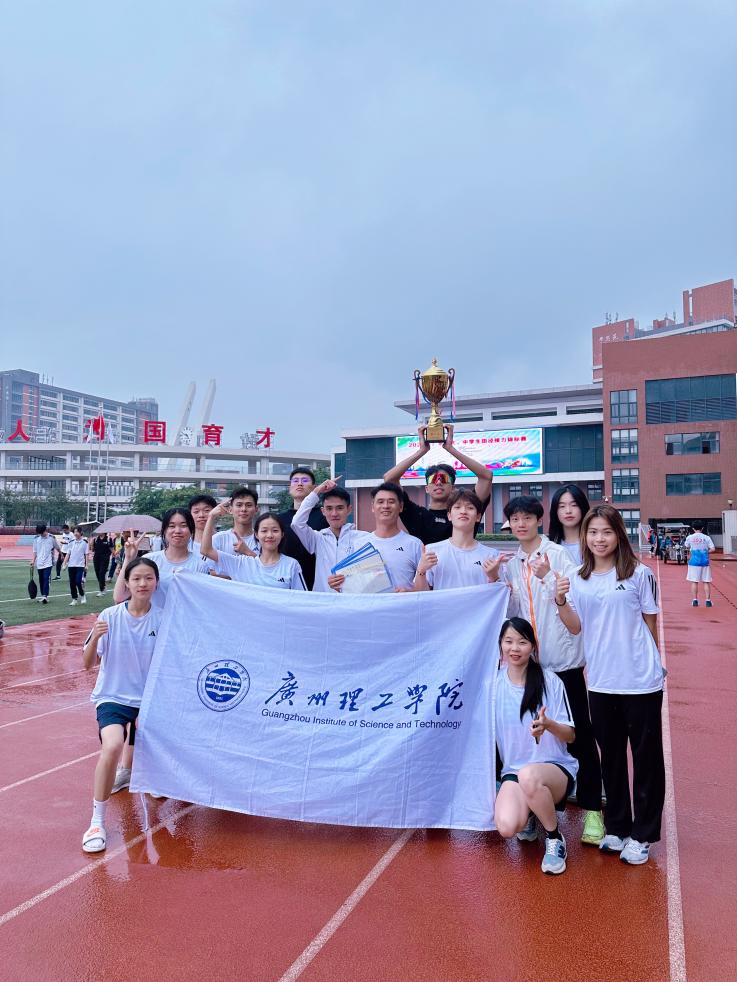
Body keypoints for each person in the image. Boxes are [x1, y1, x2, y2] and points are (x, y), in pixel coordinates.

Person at [554, 504, 664, 865]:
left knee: (646, 759)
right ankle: (617, 827)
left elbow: (650, 623)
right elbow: (575, 626)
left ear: (619, 535)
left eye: (607, 532)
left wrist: (654, 666)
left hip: (640, 682)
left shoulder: (639, 574)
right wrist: (559, 600)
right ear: (585, 536)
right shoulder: (578, 577)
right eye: (593, 532)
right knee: (612, 758)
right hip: (601, 681)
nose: (599, 539)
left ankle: (643, 834)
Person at [495, 495, 604, 846]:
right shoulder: (512, 564)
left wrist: (545, 578)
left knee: (580, 735)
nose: (521, 524)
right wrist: (492, 581)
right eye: (515, 519)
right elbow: (511, 613)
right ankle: (532, 808)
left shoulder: (559, 557)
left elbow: (571, 611)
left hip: (563, 663)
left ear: (539, 521)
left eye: (527, 517)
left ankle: (592, 809)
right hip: (530, 666)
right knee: (529, 733)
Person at [81, 557, 162, 852]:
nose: (143, 583)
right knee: (113, 746)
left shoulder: (163, 619)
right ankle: (96, 822)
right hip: (113, 696)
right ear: (126, 583)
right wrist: (94, 639)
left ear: (156, 583)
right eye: (136, 578)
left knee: (159, 753)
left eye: (149, 578)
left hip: (149, 700)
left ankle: (156, 782)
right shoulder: (110, 616)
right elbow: (87, 664)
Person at [494, 617, 578, 876]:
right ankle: (531, 813)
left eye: (522, 642)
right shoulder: (493, 685)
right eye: (508, 641)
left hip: (553, 771)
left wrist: (548, 724)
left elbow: (570, 736)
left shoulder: (550, 681)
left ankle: (554, 838)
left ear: (533, 646)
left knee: (529, 775)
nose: (514, 648)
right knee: (507, 826)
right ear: (500, 645)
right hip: (514, 771)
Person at [383, 425, 492, 544]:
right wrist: (421, 451)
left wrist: (450, 448)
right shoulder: (416, 514)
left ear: (453, 488)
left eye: (444, 479)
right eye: (433, 479)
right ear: (426, 488)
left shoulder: (464, 513)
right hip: (426, 557)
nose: (439, 482)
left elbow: (486, 476)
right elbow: (389, 478)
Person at [327, 482, 423, 592]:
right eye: (380, 502)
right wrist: (338, 584)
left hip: (403, 604)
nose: (385, 506)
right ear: (373, 507)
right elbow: (352, 589)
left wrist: (409, 592)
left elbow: (427, 588)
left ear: (400, 507)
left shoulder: (414, 544)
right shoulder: (358, 545)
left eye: (391, 502)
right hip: (368, 604)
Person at [412, 488, 505, 590]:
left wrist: (494, 577)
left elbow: (502, 594)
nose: (463, 511)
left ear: (478, 517)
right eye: (457, 507)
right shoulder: (432, 551)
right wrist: (421, 570)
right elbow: (420, 595)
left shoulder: (491, 555)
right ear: (449, 515)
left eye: (470, 508)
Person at [292, 479, 370, 592]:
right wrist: (317, 491)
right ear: (323, 511)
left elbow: (371, 575)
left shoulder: (363, 538)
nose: (334, 514)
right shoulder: (317, 538)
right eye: (329, 508)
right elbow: (297, 523)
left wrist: (347, 583)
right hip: (323, 601)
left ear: (349, 509)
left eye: (340, 508)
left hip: (352, 600)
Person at [113, 509, 204, 605]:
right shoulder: (149, 560)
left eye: (183, 525)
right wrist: (128, 559)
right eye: (171, 526)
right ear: (164, 531)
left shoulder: (200, 565)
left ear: (191, 530)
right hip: (153, 615)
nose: (177, 531)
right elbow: (119, 597)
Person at [201, 507, 306, 589]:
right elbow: (206, 550)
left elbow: (302, 599)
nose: (269, 535)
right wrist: (211, 517)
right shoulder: (241, 564)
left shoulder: (291, 565)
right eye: (264, 531)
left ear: (282, 534)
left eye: (275, 531)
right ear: (256, 534)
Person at [276, 468, 329, 590]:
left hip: (318, 582)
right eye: (295, 481)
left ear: (314, 487)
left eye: (305, 480)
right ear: (289, 487)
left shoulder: (325, 516)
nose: (299, 484)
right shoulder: (279, 519)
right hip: (286, 582)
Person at [547, 484, 590, 565]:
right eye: (562, 506)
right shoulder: (549, 546)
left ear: (583, 507)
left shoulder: (594, 544)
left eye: (574, 505)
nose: (568, 511)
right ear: (555, 511)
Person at [212, 487, 259, 556]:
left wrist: (248, 552)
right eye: (239, 505)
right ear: (230, 509)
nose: (243, 509)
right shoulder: (218, 538)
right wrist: (211, 516)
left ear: (256, 509)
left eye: (249, 505)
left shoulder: (263, 539)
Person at [684, 520, 716, 607]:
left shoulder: (690, 537)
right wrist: (705, 552)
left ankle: (695, 600)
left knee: (694, 581)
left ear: (693, 528)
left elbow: (686, 546)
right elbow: (713, 549)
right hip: (704, 562)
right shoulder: (706, 537)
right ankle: (708, 601)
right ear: (702, 528)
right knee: (706, 581)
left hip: (694, 562)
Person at [31, 523, 60, 604]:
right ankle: (43, 595)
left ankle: (45, 596)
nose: (40, 534)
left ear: (44, 530)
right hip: (39, 562)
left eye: (41, 532)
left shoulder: (51, 537)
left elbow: (57, 547)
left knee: (46, 578)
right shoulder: (36, 539)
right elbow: (35, 551)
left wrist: (61, 555)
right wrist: (33, 561)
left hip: (48, 562)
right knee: (41, 580)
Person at [63, 527, 89, 606]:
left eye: (77, 532)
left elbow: (86, 554)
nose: (75, 534)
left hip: (80, 565)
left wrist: (86, 565)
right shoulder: (71, 542)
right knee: (72, 583)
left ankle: (82, 595)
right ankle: (74, 599)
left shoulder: (85, 542)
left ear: (81, 532)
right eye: (74, 532)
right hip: (71, 565)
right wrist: (64, 563)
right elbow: (68, 553)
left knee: (78, 582)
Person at [188, 493, 218, 557]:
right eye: (196, 512)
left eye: (206, 510)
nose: (201, 515)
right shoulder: (184, 544)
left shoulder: (223, 540)